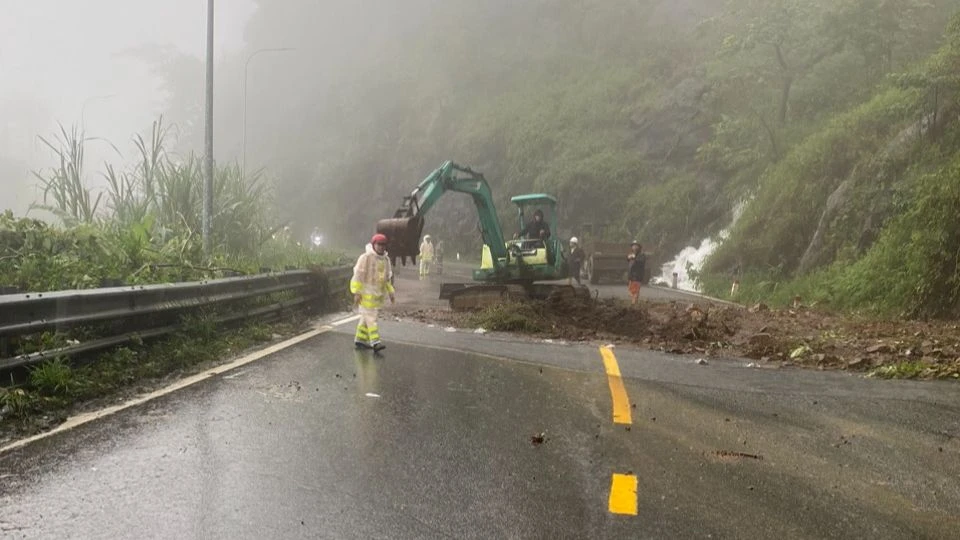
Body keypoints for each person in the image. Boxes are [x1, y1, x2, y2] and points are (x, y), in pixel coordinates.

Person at [350, 233, 395, 352]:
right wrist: (356, 292)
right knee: (371, 318)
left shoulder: (386, 260)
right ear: (374, 244)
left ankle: (359, 339)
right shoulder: (366, 257)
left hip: (377, 296)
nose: (381, 247)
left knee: (366, 318)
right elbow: (358, 275)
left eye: (383, 245)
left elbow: (387, 279)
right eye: (379, 244)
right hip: (365, 295)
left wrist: (391, 292)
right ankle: (375, 342)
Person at [627, 241, 645, 305]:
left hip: (637, 277)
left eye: (635, 246)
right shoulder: (632, 254)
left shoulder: (641, 255)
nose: (634, 247)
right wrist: (630, 257)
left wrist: (633, 257)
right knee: (631, 292)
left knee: (635, 292)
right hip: (631, 277)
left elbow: (640, 261)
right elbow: (628, 258)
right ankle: (634, 304)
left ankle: (634, 305)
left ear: (639, 247)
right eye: (633, 246)